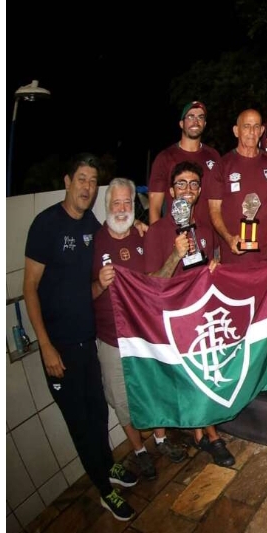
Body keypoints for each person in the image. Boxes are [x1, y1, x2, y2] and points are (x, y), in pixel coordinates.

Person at [23, 153, 139, 521]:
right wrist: (45, 346)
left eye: (92, 181)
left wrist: (139, 225)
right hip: (59, 348)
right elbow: (29, 288)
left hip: (87, 342)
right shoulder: (46, 225)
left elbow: (115, 233)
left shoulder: (90, 224)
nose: (87, 187)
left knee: (97, 412)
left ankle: (107, 465)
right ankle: (104, 490)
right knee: (80, 424)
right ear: (67, 181)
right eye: (82, 179)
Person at [142, 161, 235, 468]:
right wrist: (175, 254)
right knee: (193, 378)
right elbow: (152, 283)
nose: (187, 190)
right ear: (170, 191)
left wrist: (214, 269)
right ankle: (211, 436)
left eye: (194, 184)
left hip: (202, 317)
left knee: (203, 374)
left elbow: (210, 268)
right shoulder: (157, 231)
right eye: (181, 184)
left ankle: (201, 433)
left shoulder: (205, 229)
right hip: (173, 319)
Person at [91, 178, 159, 480]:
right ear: (107, 205)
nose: (121, 209)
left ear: (134, 205)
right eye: (116, 203)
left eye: (127, 203)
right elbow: (81, 293)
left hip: (144, 334)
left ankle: (162, 439)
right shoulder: (94, 243)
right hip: (111, 338)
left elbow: (157, 278)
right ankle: (139, 451)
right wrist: (99, 284)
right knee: (120, 399)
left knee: (153, 389)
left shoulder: (143, 235)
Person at [207, 109, 267, 267]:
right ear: (236, 131)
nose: (252, 132)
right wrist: (228, 238)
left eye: (256, 126)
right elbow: (214, 210)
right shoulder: (222, 165)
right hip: (234, 254)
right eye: (246, 126)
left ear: (262, 131)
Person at [147, 101, 220, 226]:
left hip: (207, 234)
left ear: (205, 124)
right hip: (176, 232)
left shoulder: (213, 156)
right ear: (181, 124)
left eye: (200, 117)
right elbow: (155, 207)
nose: (195, 121)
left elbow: (218, 202)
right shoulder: (165, 157)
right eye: (190, 116)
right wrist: (158, 235)